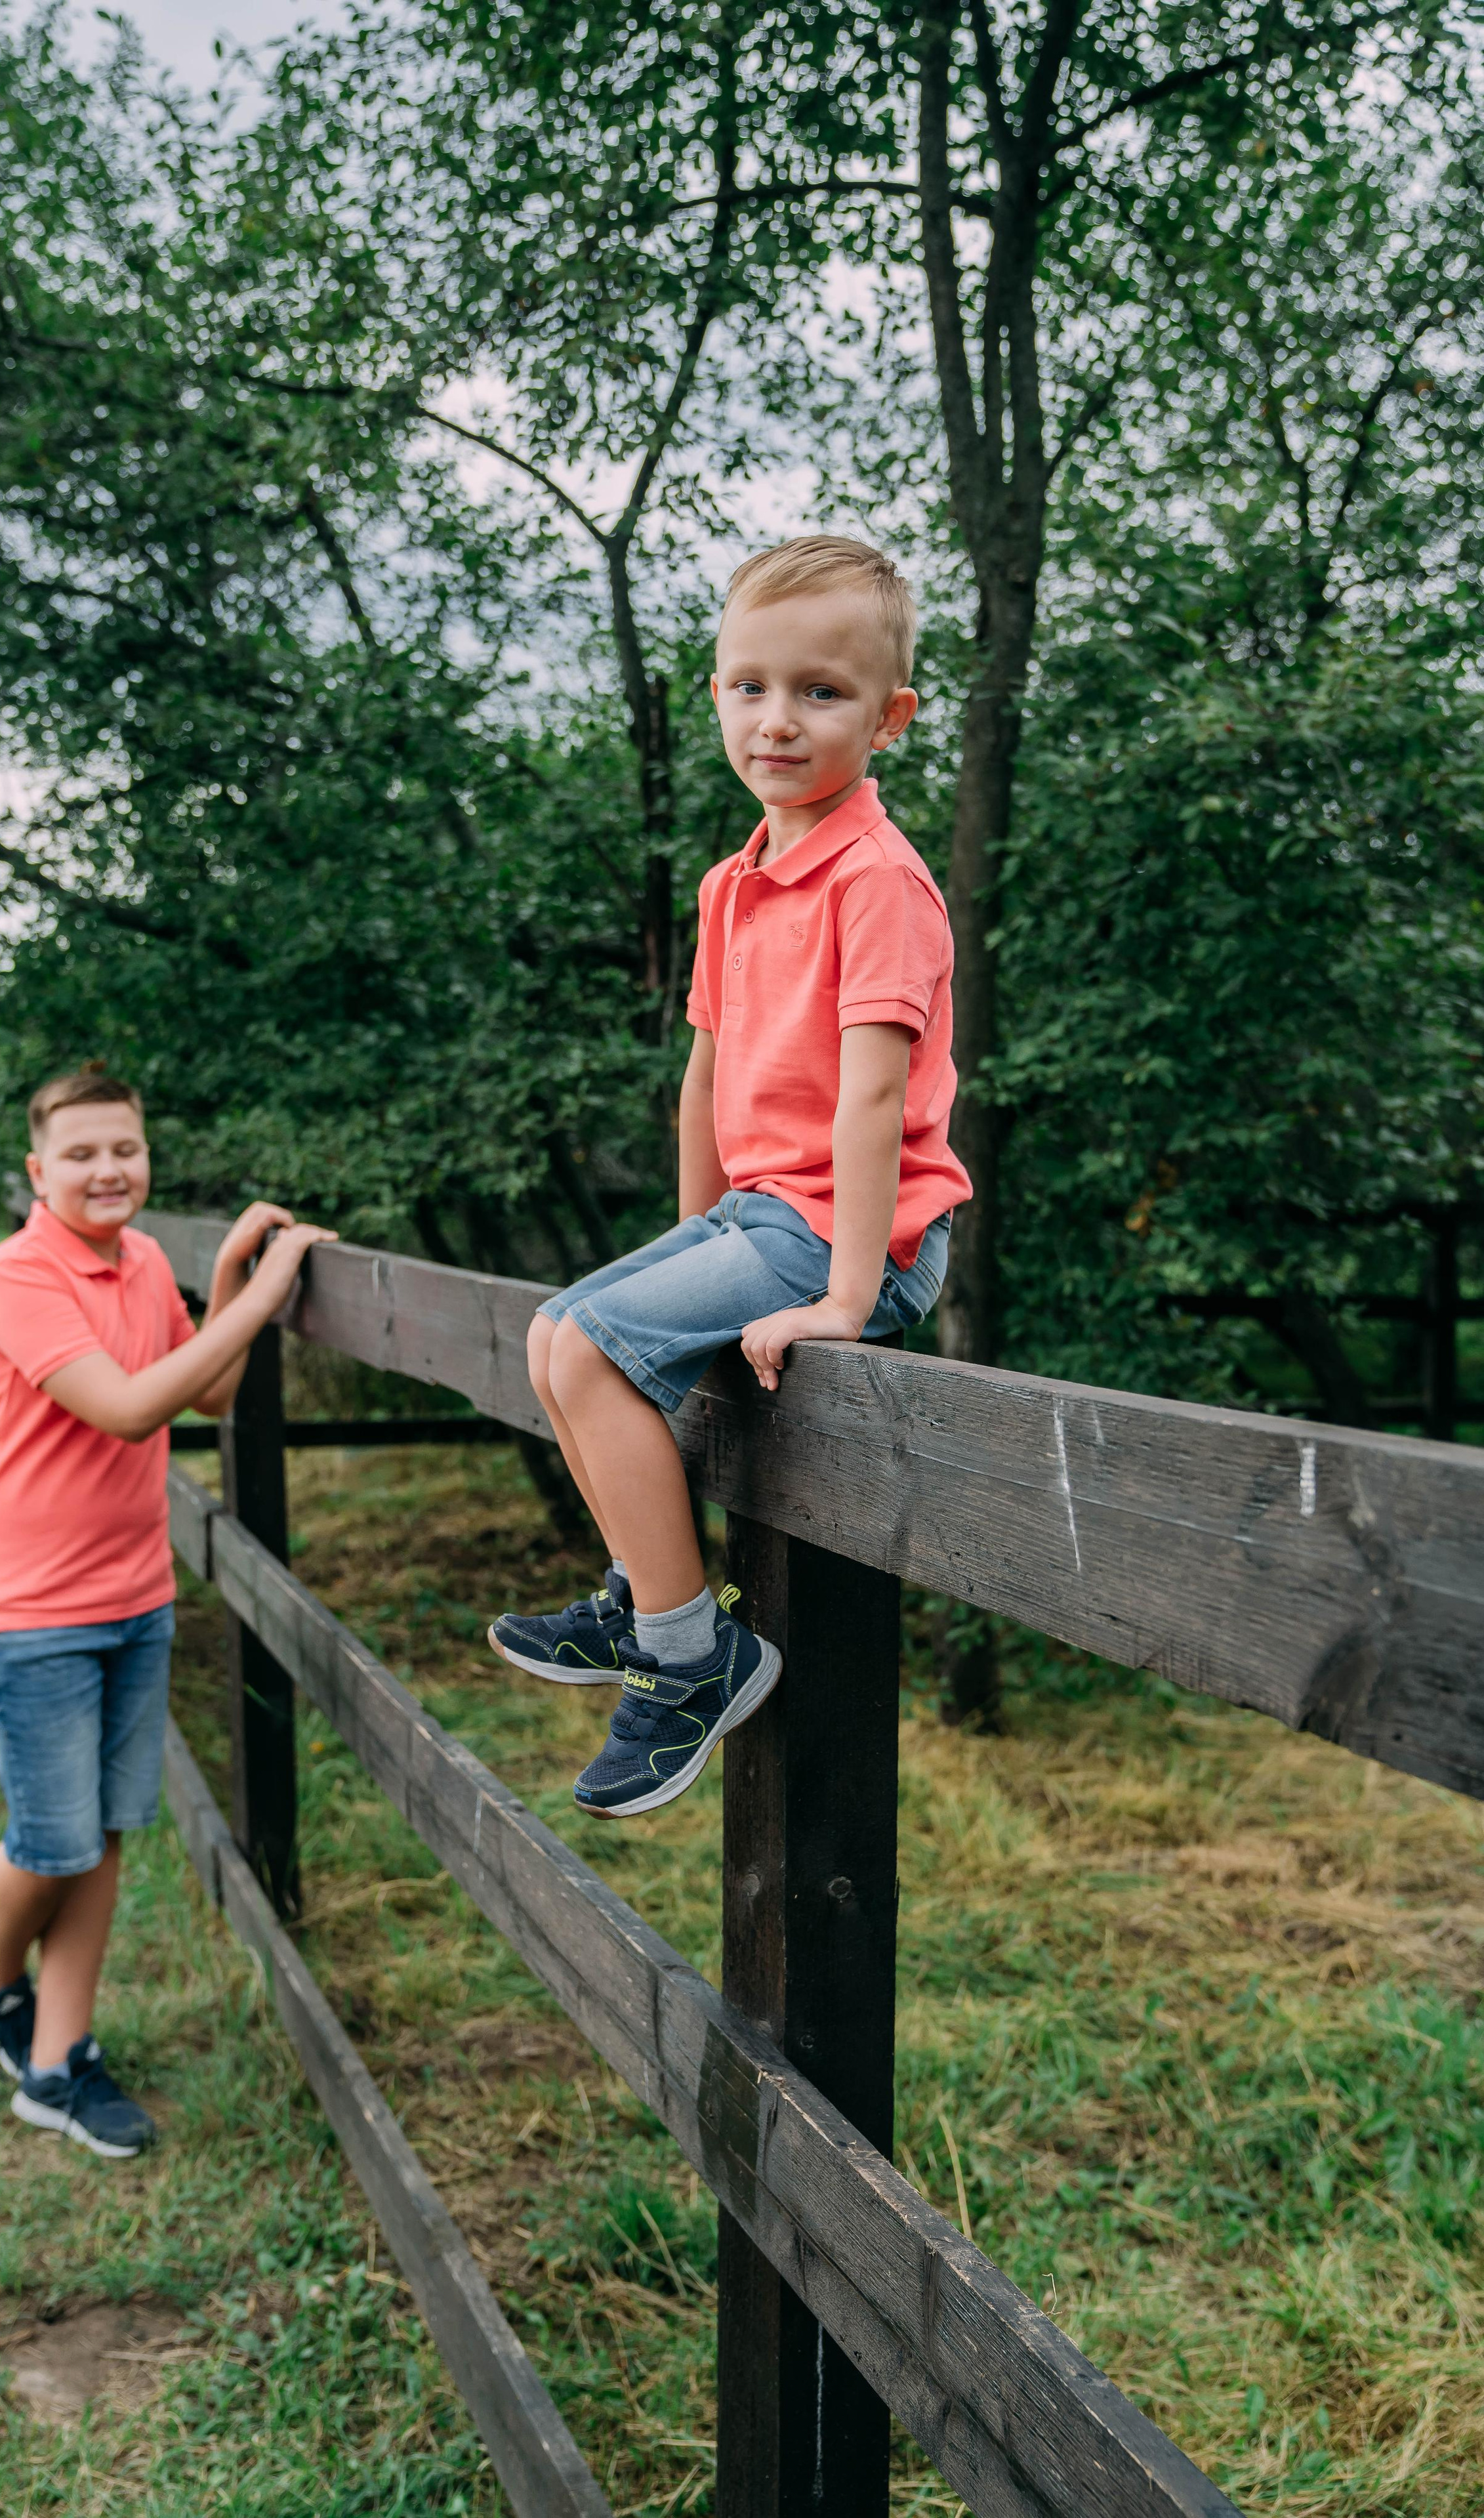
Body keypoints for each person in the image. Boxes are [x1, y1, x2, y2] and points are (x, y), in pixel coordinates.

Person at [488, 536, 970, 1820]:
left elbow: (871, 1097)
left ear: (888, 717)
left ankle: (691, 1659)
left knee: (587, 1346)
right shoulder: (731, 881)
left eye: (819, 690)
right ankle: (636, 1593)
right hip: (762, 1215)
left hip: (850, 1234)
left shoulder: (877, 881)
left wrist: (844, 1294)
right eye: (747, 685)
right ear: (711, 693)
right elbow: (705, 1079)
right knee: (555, 1337)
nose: (776, 717)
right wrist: (692, 1242)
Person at [0, 1065, 334, 2156]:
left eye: (124, 1147)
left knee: (105, 1832)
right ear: (39, 1171)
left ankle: (58, 2062)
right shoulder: (18, 1276)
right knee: (54, 1839)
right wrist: (261, 1299)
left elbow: (201, 1390)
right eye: (79, 1154)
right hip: (30, 1606)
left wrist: (219, 1277)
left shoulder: (149, 1259)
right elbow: (125, 1410)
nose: (106, 1169)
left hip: (135, 1591)